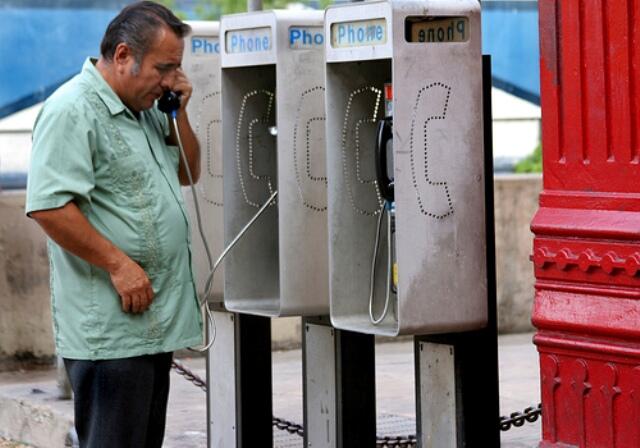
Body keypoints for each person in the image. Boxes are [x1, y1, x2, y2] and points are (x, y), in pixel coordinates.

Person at [25, 2, 202, 446]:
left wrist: (177, 111)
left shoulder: (146, 110)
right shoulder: (73, 111)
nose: (171, 80)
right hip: (110, 331)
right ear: (123, 55)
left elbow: (187, 172)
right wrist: (119, 265)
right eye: (164, 68)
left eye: (176, 68)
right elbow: (49, 207)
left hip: (151, 322)